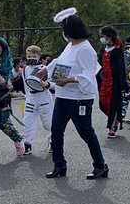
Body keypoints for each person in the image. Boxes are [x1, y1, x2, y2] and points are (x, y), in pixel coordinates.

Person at [45, 9, 108, 180]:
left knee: (86, 132)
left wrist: (69, 80)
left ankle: (100, 165)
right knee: (56, 131)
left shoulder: (85, 49)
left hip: (79, 99)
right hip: (63, 96)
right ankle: (59, 165)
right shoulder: (70, 46)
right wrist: (45, 70)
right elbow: (59, 62)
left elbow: (89, 74)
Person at [19, 44, 53, 152]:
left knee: (48, 123)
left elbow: (54, 83)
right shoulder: (25, 69)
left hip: (44, 99)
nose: (31, 59)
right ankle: (27, 145)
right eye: (29, 57)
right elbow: (26, 86)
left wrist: (47, 85)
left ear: (38, 56)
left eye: (33, 56)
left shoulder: (45, 69)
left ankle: (53, 142)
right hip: (31, 100)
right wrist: (27, 98)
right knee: (27, 123)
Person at [97, 27, 130, 139]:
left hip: (114, 83)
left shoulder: (117, 51)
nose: (101, 38)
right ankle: (115, 118)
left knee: (113, 105)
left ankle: (113, 126)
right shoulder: (102, 50)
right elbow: (98, 65)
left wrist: (123, 85)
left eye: (103, 36)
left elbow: (121, 68)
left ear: (109, 36)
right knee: (102, 104)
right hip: (104, 81)